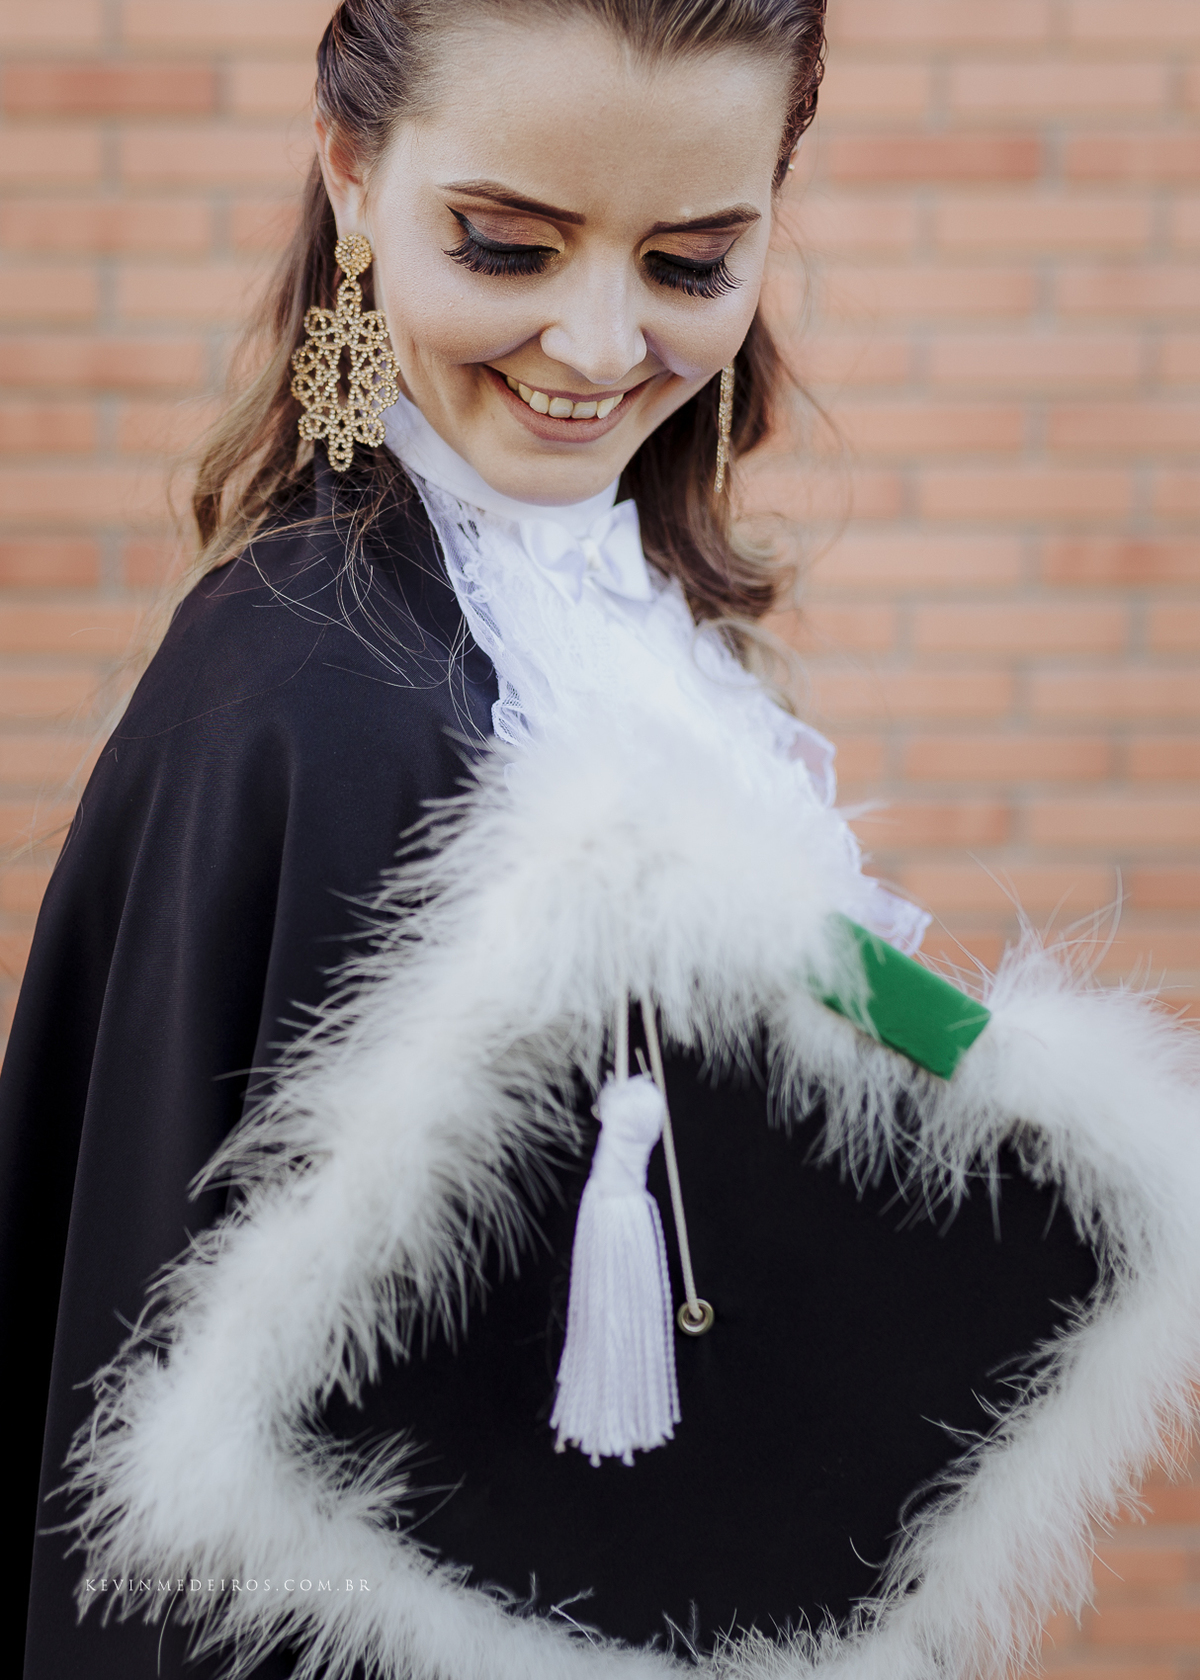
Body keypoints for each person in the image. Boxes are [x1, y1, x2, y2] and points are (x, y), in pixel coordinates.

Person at [4, 4, 1199, 1679]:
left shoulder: (653, 624)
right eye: (506, 245)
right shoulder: (303, 705)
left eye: (691, 264)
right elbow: (190, 1487)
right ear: (351, 173)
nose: (594, 343)